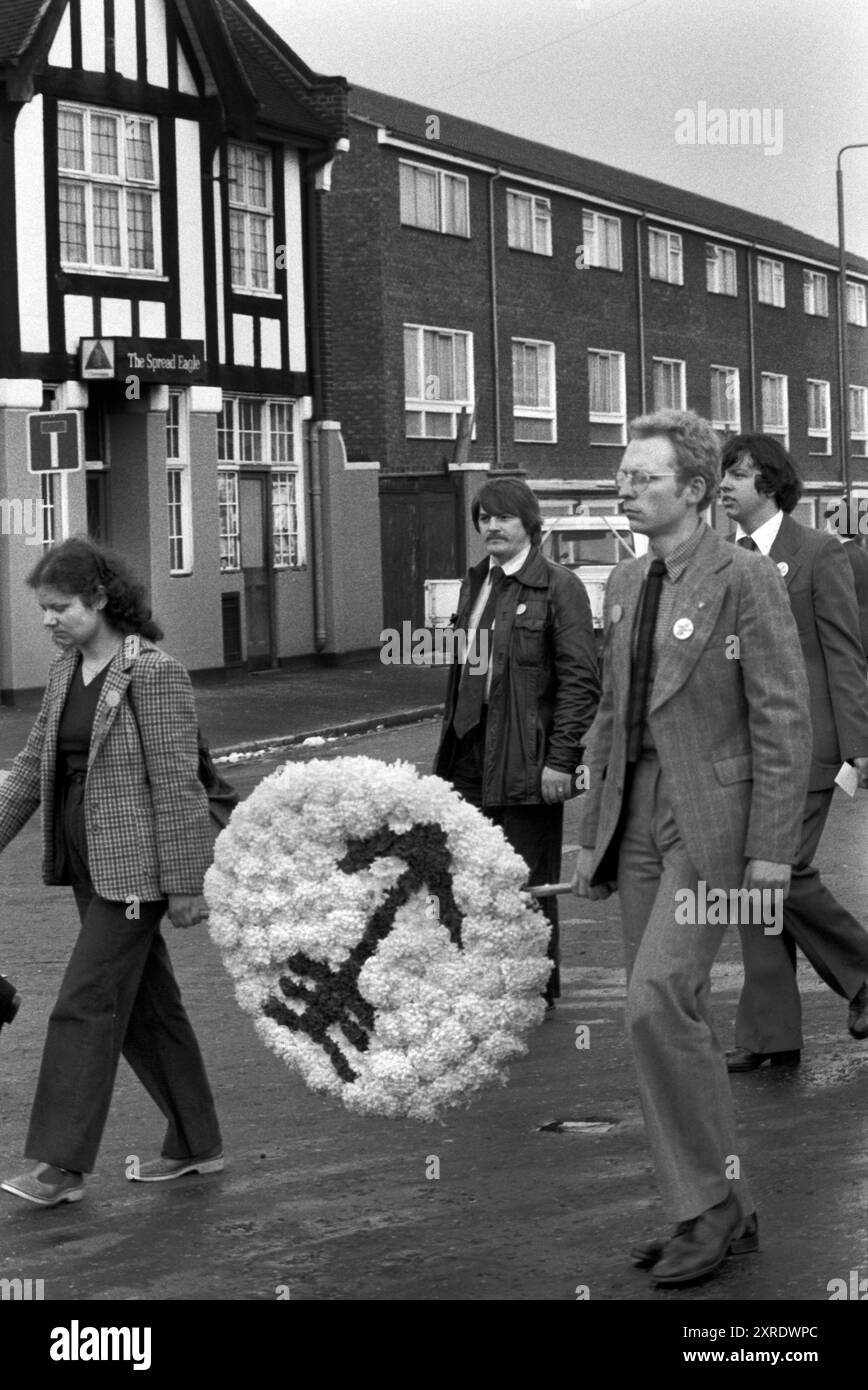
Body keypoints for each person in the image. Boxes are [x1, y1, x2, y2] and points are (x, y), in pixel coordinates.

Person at [572, 409, 811, 1287]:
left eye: (645, 477)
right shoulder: (627, 582)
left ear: (698, 490)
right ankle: (723, 1206)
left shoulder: (746, 579)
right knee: (673, 1022)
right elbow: (613, 710)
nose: (626, 488)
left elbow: (783, 715)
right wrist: (592, 827)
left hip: (708, 826)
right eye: (625, 475)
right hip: (633, 818)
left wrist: (775, 849)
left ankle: (706, 1208)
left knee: (651, 1000)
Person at [0, 538, 223, 1207]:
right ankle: (196, 1143)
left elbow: (179, 784)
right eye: (42, 608)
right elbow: (31, 770)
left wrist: (185, 883)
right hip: (85, 866)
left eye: (60, 607)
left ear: (100, 599)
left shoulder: (153, 673)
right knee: (149, 1010)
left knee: (85, 1002)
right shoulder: (69, 668)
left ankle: (61, 1167)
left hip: (135, 874)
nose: (47, 619)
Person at [719, 436, 868, 1068]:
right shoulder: (724, 558)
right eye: (723, 473)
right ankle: (769, 1033)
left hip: (810, 744)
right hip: (745, 749)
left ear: (772, 484)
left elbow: (844, 652)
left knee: (784, 872)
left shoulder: (818, 551)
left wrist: (860, 747)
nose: (724, 484)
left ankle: (863, 974)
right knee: (757, 886)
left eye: (738, 475)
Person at [433, 477, 600, 1005]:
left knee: (525, 880)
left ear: (529, 522)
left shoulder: (559, 586)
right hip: (466, 753)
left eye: (503, 517)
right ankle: (482, 983)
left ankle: (532, 991)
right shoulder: (475, 582)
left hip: (526, 759)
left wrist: (562, 759)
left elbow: (581, 681)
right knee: (469, 875)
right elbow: (464, 674)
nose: (491, 526)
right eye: (483, 517)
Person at [823, 500, 868, 657]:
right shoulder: (863, 554)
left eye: (828, 524)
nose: (825, 528)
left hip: (850, 635)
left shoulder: (838, 557)